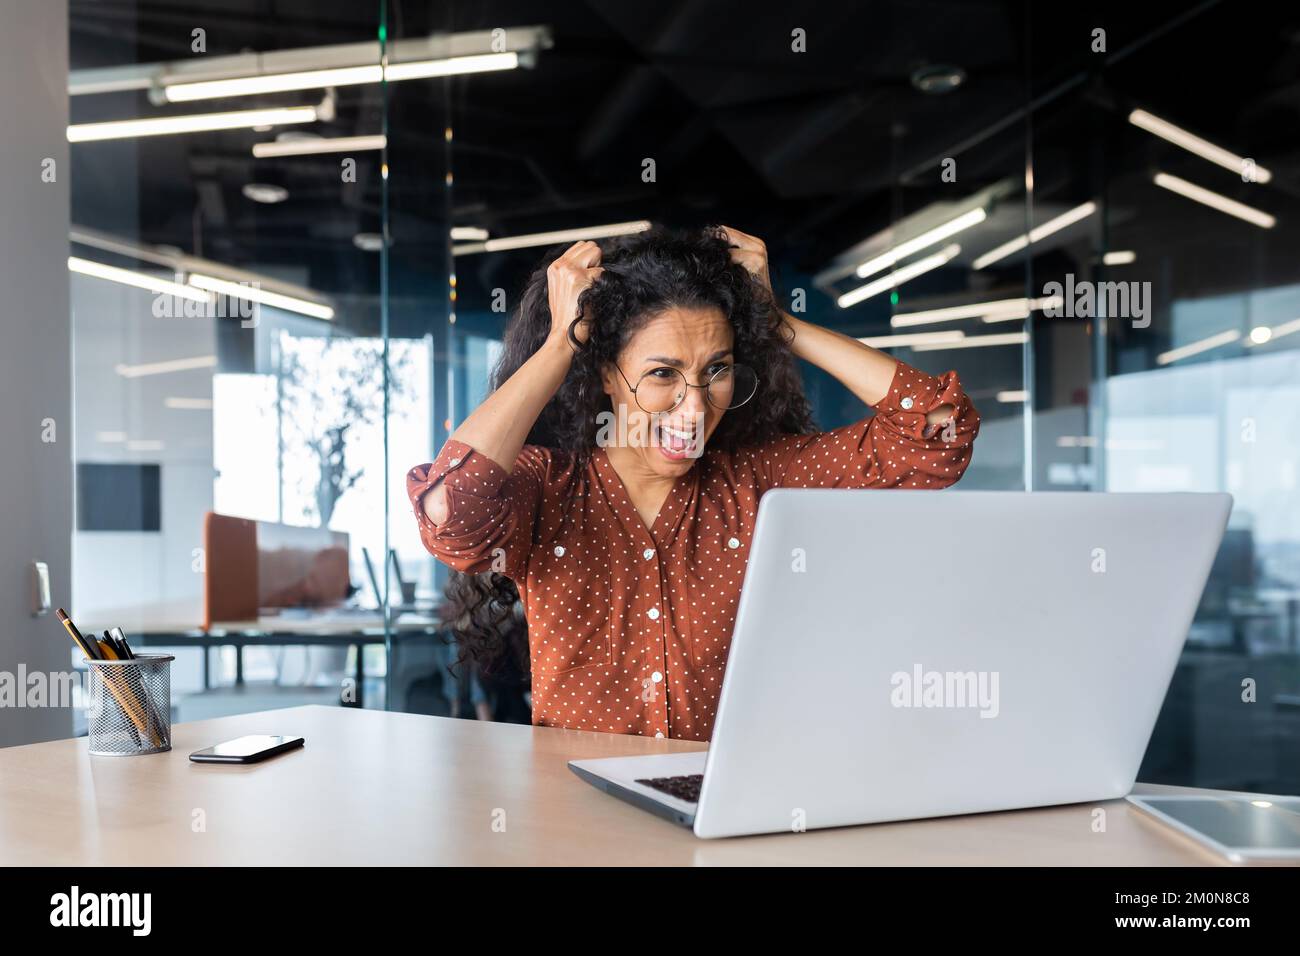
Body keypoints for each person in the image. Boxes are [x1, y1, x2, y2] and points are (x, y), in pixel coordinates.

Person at [408, 225, 980, 741]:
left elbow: (936, 433)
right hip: (574, 817)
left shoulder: (761, 482)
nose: (694, 406)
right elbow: (451, 512)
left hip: (722, 812)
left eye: (717, 370)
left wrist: (776, 322)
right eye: (662, 374)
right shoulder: (548, 488)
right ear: (606, 372)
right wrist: (562, 343)